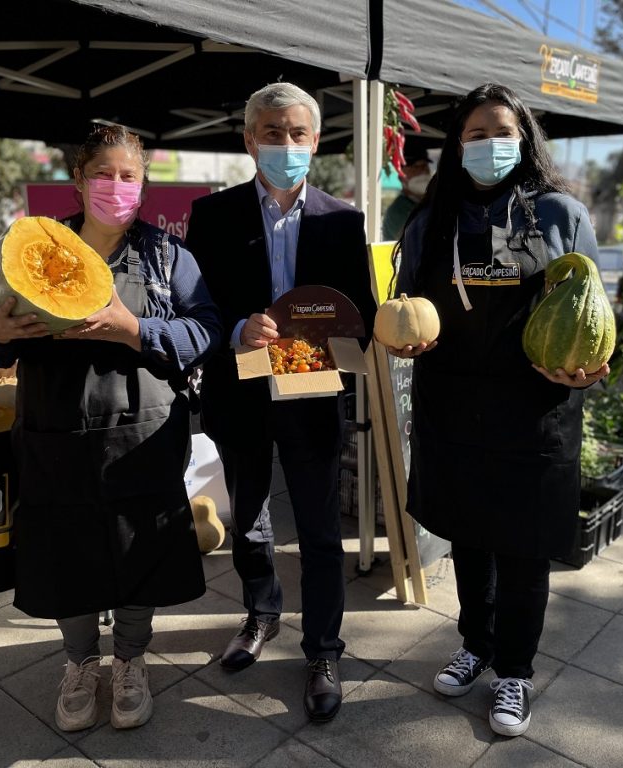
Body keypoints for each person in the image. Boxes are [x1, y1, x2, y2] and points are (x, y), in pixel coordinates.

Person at [0, 124, 223, 733]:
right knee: (68, 553)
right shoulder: (30, 251)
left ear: (143, 184)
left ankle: (132, 662)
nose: (117, 186)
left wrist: (132, 329)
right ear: (79, 182)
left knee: (139, 553)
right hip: (52, 436)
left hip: (143, 437)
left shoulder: (170, 258)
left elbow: (207, 333)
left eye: (129, 175)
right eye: (103, 174)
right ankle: (80, 664)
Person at [390, 83, 609, 737]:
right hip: (451, 407)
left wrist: (593, 366)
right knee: (468, 539)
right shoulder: (432, 220)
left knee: (523, 549)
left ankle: (514, 671)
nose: (490, 144)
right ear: (457, 144)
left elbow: (595, 311)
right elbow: (407, 303)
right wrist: (401, 335)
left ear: (525, 139)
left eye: (501, 132)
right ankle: (475, 644)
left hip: (535, 411)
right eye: (476, 134)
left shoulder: (560, 214)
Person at [185, 82, 376, 723]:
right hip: (240, 395)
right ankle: (260, 614)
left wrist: (355, 329)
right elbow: (198, 309)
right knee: (251, 522)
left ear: (316, 143)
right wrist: (238, 328)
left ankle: (323, 649)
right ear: (248, 141)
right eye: (272, 133)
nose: (285, 145)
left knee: (322, 535)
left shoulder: (344, 220)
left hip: (313, 397)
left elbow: (363, 316)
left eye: (297, 134)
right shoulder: (211, 217)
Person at [381, 145, 433, 241]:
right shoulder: (397, 211)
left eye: (425, 166)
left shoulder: (432, 201)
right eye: (415, 167)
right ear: (401, 175)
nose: (422, 171)